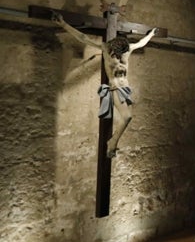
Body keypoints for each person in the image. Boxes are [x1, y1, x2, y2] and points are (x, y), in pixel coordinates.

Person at [51, 11, 157, 158]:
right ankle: (112, 142)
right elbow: (83, 38)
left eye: (121, 55)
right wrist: (63, 24)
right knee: (127, 117)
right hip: (115, 87)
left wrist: (150, 35)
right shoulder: (106, 48)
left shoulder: (127, 49)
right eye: (116, 54)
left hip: (126, 88)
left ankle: (113, 142)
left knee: (128, 119)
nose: (119, 57)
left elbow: (140, 43)